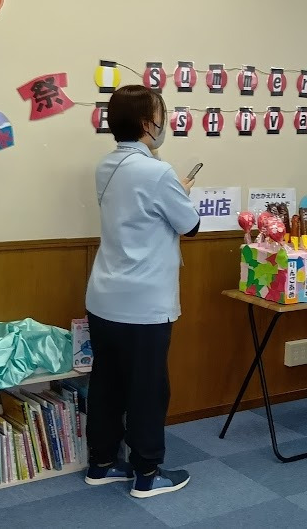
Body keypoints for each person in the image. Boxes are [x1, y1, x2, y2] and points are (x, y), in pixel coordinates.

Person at [84, 85, 201, 498]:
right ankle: (147, 474)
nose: (163, 124)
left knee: (107, 383)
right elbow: (189, 225)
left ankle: (100, 463)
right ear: (147, 124)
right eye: (160, 117)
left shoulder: (106, 166)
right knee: (148, 389)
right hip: (145, 304)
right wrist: (181, 191)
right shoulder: (158, 171)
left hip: (103, 298)